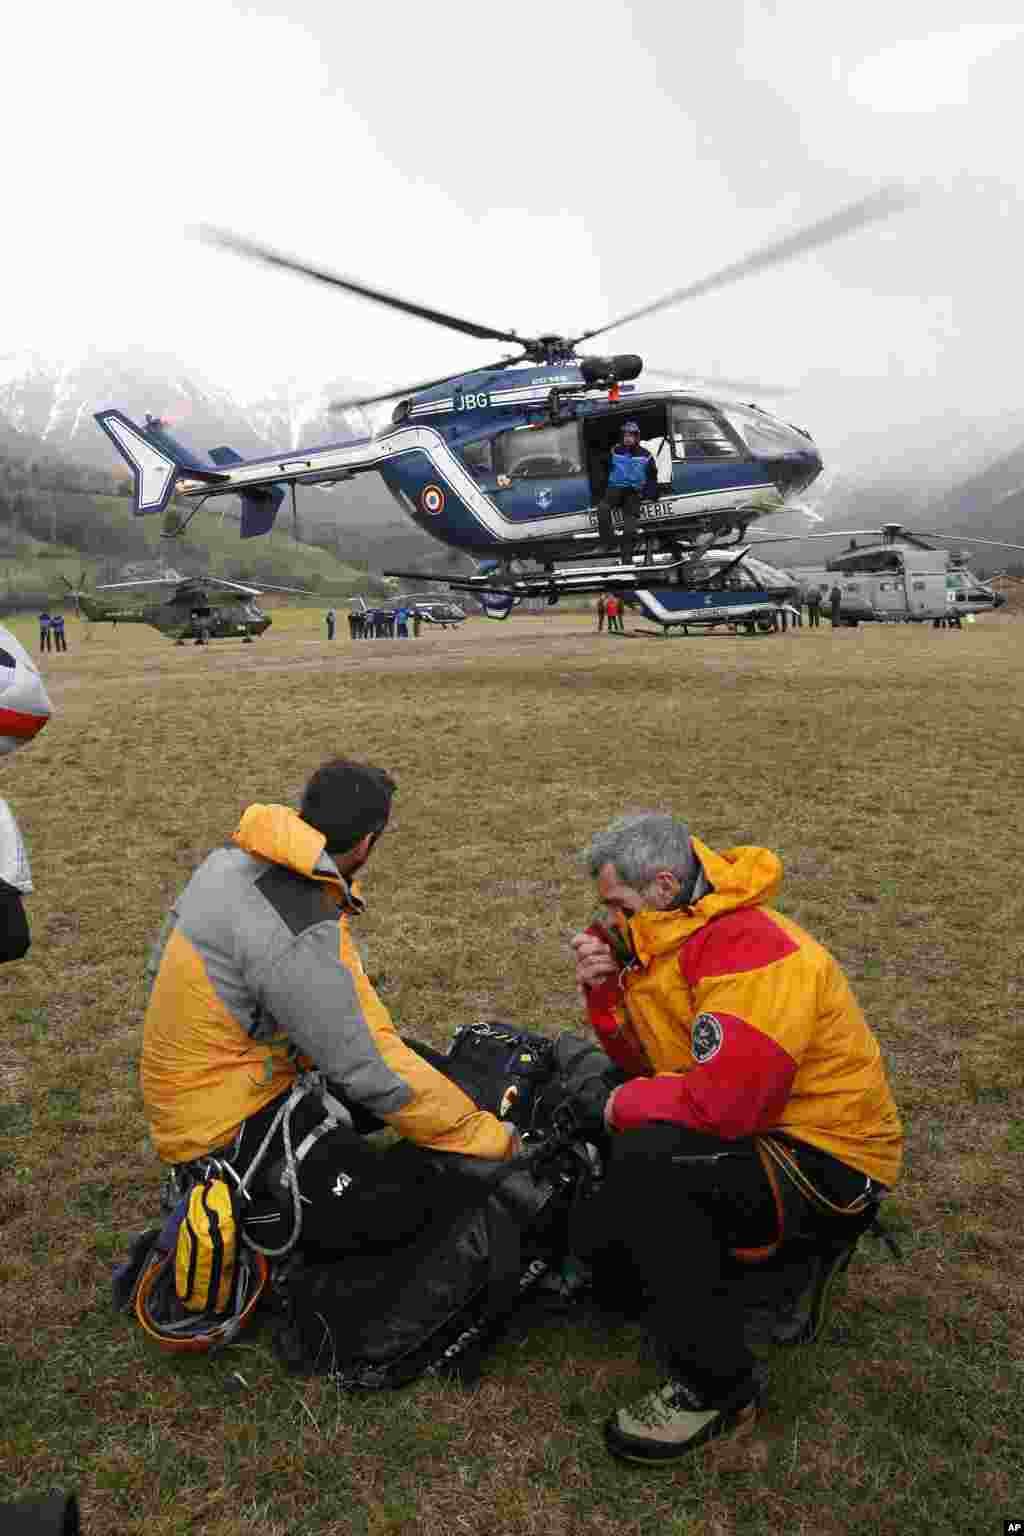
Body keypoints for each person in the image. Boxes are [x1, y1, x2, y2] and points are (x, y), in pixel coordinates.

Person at [569, 812, 902, 1466]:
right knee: (626, 1144)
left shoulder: (749, 948)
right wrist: (607, 992)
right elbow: (656, 1067)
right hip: (767, 1127)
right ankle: (713, 1279)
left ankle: (720, 1387)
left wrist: (616, 1105)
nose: (610, 917)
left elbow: (725, 1106)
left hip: (830, 1158)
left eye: (618, 903)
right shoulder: (675, 933)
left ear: (664, 884)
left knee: (648, 1163)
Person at [141, 758, 516, 1260]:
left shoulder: (235, 862)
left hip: (227, 1077)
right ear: (366, 843)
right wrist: (485, 1141)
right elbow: (364, 1063)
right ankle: (237, 1187)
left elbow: (350, 1026)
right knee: (400, 1207)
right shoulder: (294, 922)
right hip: (221, 1126)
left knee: (420, 1068)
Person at [596, 422, 658, 563]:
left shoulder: (646, 455)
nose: (628, 438)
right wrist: (601, 489)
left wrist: (651, 493)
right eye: (625, 435)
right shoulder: (615, 451)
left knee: (630, 529)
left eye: (631, 435)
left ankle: (627, 559)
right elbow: (603, 470)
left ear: (637, 437)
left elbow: (652, 476)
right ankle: (609, 542)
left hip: (633, 493)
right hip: (615, 489)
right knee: (602, 509)